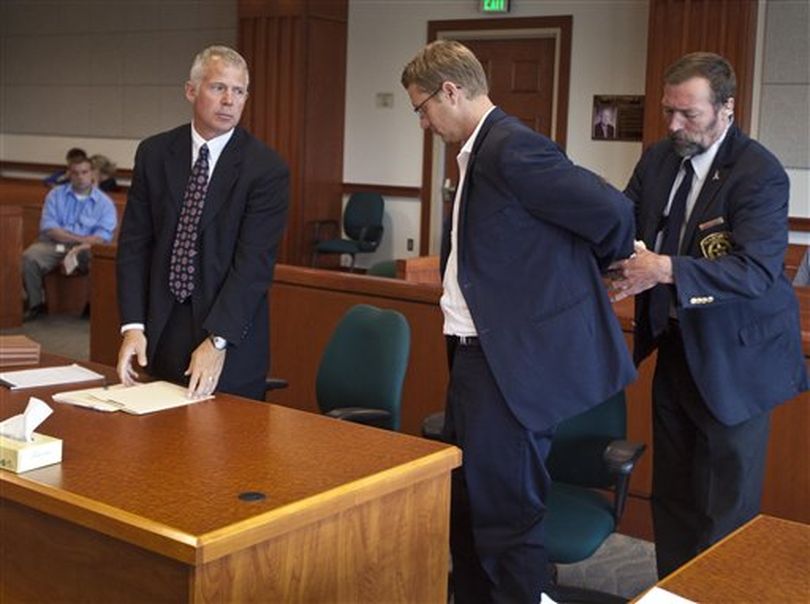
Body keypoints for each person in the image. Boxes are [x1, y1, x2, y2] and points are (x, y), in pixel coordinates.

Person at [400, 40, 636, 603]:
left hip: (506, 360)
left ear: (451, 91)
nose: (423, 121)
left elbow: (612, 213)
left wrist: (595, 272)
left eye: (422, 108)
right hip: (474, 351)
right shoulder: (478, 153)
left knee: (506, 511)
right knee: (470, 499)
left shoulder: (512, 148)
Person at [610, 52, 808, 578]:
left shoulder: (758, 172)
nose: (675, 126)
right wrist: (615, 267)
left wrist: (665, 269)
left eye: (688, 115)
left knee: (725, 507)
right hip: (675, 346)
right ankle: (675, 590)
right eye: (669, 112)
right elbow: (624, 221)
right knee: (672, 496)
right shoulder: (658, 158)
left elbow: (756, 271)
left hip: (735, 361)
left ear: (727, 108)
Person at [115, 45, 289, 401]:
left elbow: (253, 265)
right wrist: (133, 326)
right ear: (191, 91)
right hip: (162, 331)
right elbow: (134, 245)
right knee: (158, 447)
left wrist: (218, 339)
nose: (229, 100)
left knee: (224, 451)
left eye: (238, 91)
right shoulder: (155, 153)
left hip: (228, 338)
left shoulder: (266, 169)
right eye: (218, 87)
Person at [22, 155, 117, 321]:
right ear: (69, 174)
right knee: (30, 257)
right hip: (55, 245)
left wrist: (82, 245)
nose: (80, 177)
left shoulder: (104, 202)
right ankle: (35, 305)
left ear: (92, 173)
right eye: (75, 173)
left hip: (86, 249)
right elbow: (50, 228)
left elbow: (102, 236)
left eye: (84, 172)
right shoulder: (55, 195)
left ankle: (92, 307)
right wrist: (80, 240)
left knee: (99, 258)